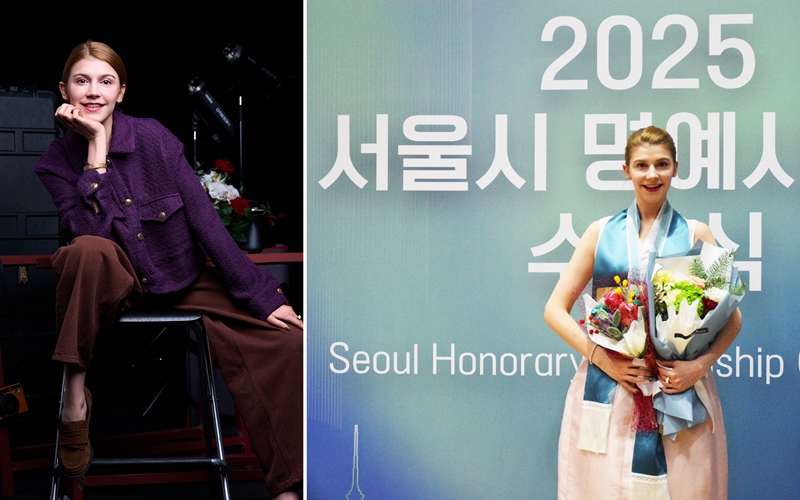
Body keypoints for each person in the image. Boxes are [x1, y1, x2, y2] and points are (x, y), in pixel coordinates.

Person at [34, 40, 303, 499]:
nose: (93, 92)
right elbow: (89, 229)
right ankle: (74, 393)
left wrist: (264, 297)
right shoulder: (55, 162)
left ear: (122, 92)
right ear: (64, 91)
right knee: (87, 251)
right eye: (82, 81)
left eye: (106, 81)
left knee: (288, 341)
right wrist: (95, 149)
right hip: (110, 280)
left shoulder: (155, 139)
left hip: (180, 275)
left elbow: (205, 221)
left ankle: (288, 485)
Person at [543, 126, 742, 499]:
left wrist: (698, 366)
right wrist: (603, 359)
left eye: (661, 165)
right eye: (642, 165)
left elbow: (732, 318)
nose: (652, 174)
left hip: (679, 390)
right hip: (613, 387)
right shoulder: (599, 233)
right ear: (626, 170)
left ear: (675, 169)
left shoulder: (696, 234)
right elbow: (554, 310)